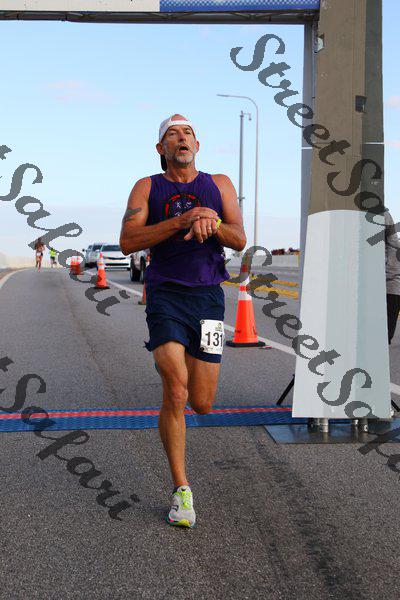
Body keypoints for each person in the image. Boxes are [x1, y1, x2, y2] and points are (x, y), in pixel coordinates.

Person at [120, 114, 246, 528]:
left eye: (188, 132)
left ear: (197, 144)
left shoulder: (219, 184)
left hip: (208, 298)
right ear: (161, 148)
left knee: (202, 403)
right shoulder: (147, 187)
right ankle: (181, 489)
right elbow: (128, 241)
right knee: (175, 389)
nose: (181, 138)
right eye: (172, 134)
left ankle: (188, 414)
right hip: (166, 295)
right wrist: (181, 220)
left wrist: (211, 220)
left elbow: (239, 238)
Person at [385, 210, 400, 344]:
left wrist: (389, 277)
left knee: (384, 337)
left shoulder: (382, 214)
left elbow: (394, 246)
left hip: (389, 285)